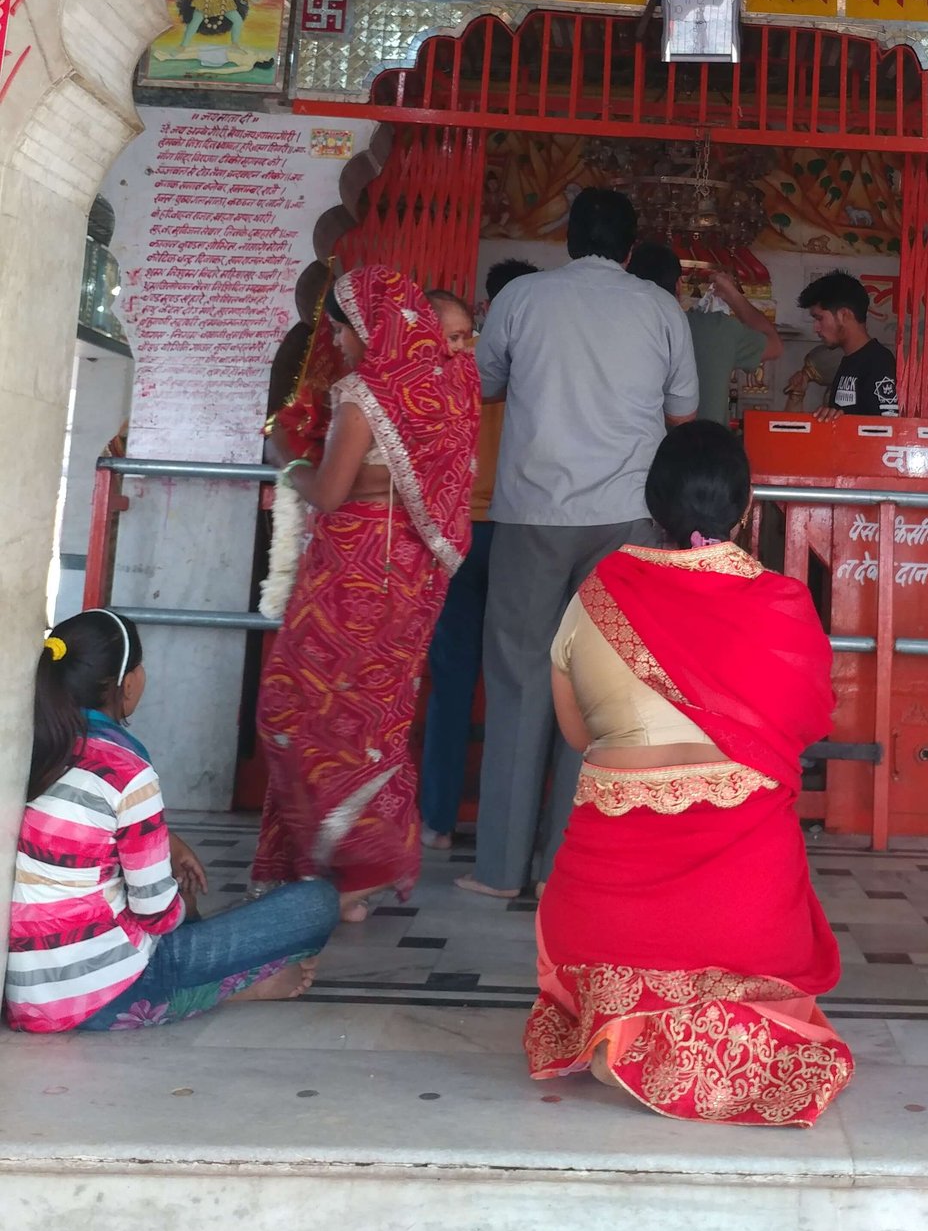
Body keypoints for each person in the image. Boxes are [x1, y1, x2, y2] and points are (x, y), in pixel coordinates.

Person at [525, 421, 853, 1126]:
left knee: (596, 927)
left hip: (605, 910)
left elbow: (578, 732)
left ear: (654, 504)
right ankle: (679, 1034)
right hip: (744, 915)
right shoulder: (783, 605)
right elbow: (809, 721)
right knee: (767, 988)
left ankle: (626, 1023)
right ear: (746, 505)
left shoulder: (601, 592)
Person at [466, 189, 699, 901]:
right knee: (600, 686)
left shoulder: (524, 298)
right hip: (628, 518)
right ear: (631, 249)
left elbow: (482, 384)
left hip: (533, 513)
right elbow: (683, 413)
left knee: (518, 680)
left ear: (567, 238)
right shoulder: (661, 308)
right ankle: (568, 863)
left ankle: (501, 871)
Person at [252, 265, 480, 921]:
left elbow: (327, 491)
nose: (342, 343)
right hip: (410, 581)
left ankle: (358, 861)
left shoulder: (364, 393)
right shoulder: (447, 395)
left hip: (349, 572)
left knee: (292, 709)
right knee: (375, 721)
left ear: (371, 326)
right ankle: (355, 875)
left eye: (344, 330)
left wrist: (283, 455)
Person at [6, 610, 339, 1033]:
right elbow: (156, 914)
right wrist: (184, 904)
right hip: (109, 993)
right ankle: (228, 986)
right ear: (129, 683)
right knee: (316, 902)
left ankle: (222, 981)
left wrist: (165, 841)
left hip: (28, 997)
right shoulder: (125, 767)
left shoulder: (32, 746)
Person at [419, 265, 538, 849]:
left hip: (457, 531)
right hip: (520, 530)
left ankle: (437, 818)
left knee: (452, 677)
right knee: (520, 682)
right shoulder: (541, 369)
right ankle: (509, 823)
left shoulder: (444, 365)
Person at [628, 243, 783, 426]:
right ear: (679, 286)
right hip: (705, 449)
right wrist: (732, 294)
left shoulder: (618, 330)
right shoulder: (715, 329)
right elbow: (775, 346)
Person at [797, 270, 898, 418]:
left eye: (820, 318)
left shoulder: (879, 362)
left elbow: (886, 429)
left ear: (844, 315)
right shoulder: (849, 361)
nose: (816, 328)